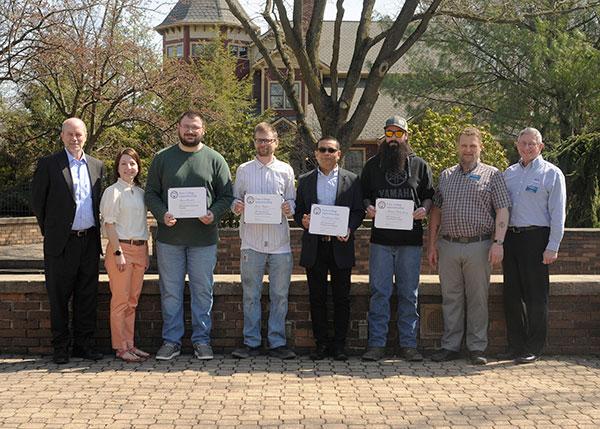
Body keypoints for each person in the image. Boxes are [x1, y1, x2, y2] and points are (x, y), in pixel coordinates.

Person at [145, 111, 234, 361]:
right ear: (178, 128)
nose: (190, 131)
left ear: (203, 129)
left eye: (195, 127)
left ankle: (202, 341)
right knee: (170, 292)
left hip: (203, 240)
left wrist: (213, 213)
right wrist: (162, 214)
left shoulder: (215, 159)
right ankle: (171, 341)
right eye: (186, 127)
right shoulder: (162, 158)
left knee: (202, 291)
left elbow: (227, 195)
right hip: (169, 239)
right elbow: (151, 193)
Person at [428, 127, 510, 365]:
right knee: (450, 297)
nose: (468, 150)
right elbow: (436, 212)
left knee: (477, 298)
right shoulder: (446, 176)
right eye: (464, 145)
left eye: (472, 146)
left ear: (480, 147)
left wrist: (499, 242)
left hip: (480, 246)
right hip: (449, 245)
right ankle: (450, 346)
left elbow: (502, 209)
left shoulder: (493, 175)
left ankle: (477, 348)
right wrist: (432, 245)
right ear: (457, 147)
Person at [31, 117, 105, 364]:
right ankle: (61, 348)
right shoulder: (49, 164)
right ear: (62, 136)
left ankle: (84, 346)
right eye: (70, 134)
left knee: (87, 297)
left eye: (79, 134)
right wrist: (54, 233)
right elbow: (38, 204)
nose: (75, 139)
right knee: (59, 298)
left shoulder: (96, 166)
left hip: (89, 243)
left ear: (85, 135)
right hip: (61, 244)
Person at [361, 116, 434, 362]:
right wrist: (368, 207)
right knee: (379, 293)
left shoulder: (420, 165)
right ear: (384, 136)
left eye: (398, 133)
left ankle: (408, 345)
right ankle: (376, 345)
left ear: (406, 136)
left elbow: (428, 196)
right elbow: (363, 195)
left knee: (408, 294)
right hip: (381, 241)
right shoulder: (372, 165)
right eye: (389, 133)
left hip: (410, 242)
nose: (393, 138)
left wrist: (424, 209)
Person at [230, 122, 297, 360]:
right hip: (252, 242)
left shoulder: (286, 170)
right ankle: (251, 342)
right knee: (251, 295)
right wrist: (236, 206)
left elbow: (292, 202)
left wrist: (290, 207)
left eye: (267, 140)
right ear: (254, 142)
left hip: (280, 243)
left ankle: (277, 342)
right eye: (259, 140)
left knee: (280, 295)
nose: (263, 144)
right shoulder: (243, 170)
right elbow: (235, 200)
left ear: (275, 142)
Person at [294, 136, 364, 360]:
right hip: (316, 246)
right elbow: (299, 212)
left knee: (342, 298)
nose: (326, 153)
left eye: (331, 150)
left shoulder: (352, 180)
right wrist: (302, 221)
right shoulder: (304, 180)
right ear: (316, 154)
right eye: (322, 149)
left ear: (338, 154)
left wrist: (350, 228)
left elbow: (358, 211)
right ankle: (321, 344)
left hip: (340, 246)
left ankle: (339, 346)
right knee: (317, 298)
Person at [502, 127, 566, 364]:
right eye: (523, 143)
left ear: (541, 146)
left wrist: (553, 246)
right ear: (517, 146)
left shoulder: (552, 174)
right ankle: (516, 346)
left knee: (536, 296)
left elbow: (558, 213)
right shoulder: (509, 173)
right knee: (512, 294)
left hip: (536, 239)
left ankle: (534, 347)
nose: (527, 147)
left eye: (532, 143)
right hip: (511, 238)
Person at [100, 148, 150, 362]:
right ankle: (120, 347)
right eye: (123, 164)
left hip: (139, 249)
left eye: (132, 163)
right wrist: (118, 251)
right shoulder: (112, 191)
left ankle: (130, 344)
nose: (128, 167)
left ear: (138, 166)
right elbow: (109, 224)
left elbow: (143, 224)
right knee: (120, 301)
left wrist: (146, 252)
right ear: (117, 168)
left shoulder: (140, 192)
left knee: (132, 301)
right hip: (120, 249)